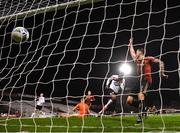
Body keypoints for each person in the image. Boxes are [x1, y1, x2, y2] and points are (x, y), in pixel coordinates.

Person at [126, 38, 168, 123]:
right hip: (139, 80)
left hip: (146, 80)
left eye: (137, 52)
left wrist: (162, 73)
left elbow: (161, 62)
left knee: (140, 95)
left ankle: (140, 117)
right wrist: (130, 44)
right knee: (129, 101)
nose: (135, 54)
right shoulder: (137, 60)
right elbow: (132, 52)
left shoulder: (148, 59)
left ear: (140, 53)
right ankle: (145, 107)